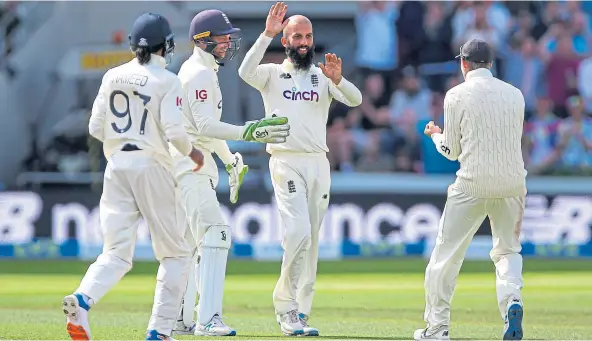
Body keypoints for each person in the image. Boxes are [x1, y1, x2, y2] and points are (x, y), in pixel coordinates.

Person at [62, 13, 205, 341]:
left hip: (117, 168)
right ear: (164, 45)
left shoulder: (112, 76)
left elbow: (95, 127)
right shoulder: (168, 80)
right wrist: (193, 152)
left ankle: (82, 300)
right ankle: (159, 331)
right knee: (176, 253)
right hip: (151, 167)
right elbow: (174, 131)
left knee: (114, 253)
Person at [238, 2, 362, 336]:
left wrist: (340, 79)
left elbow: (356, 100)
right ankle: (285, 306)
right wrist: (266, 34)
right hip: (285, 160)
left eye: (308, 35)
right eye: (296, 36)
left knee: (312, 240)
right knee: (297, 233)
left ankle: (302, 312)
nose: (304, 41)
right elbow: (244, 72)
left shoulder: (323, 76)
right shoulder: (272, 73)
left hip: (318, 163)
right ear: (286, 40)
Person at [170, 9, 290, 337]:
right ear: (203, 40)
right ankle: (208, 319)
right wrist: (249, 132)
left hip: (191, 166)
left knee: (190, 246)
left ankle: (178, 319)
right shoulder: (199, 74)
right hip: (191, 169)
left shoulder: (198, 69)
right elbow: (207, 126)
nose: (227, 43)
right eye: (221, 38)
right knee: (217, 234)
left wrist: (229, 160)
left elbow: (201, 131)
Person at [417, 39, 527, 341]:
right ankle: (512, 303)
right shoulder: (515, 95)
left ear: (463, 63)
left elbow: (452, 151)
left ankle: (437, 329)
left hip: (472, 183)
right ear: (490, 64)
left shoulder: (456, 95)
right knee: (507, 251)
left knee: (445, 258)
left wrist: (436, 136)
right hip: (513, 184)